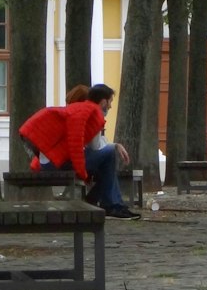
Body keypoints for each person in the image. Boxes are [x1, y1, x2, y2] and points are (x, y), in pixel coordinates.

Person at [19, 83, 140, 220]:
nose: (111, 106)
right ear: (103, 101)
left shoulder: (79, 109)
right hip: (57, 164)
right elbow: (82, 144)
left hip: (51, 162)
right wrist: (83, 172)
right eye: (110, 102)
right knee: (109, 154)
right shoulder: (92, 112)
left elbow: (89, 146)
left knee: (106, 165)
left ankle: (100, 203)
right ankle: (111, 206)